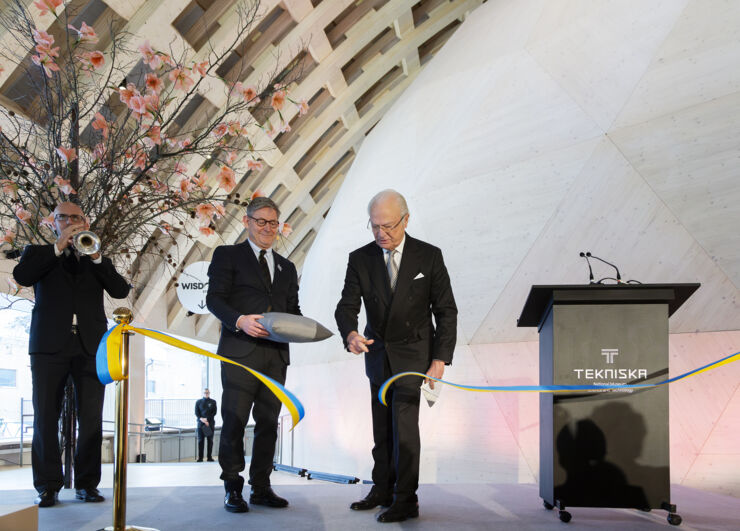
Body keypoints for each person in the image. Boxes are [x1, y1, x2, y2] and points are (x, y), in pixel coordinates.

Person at [335, 189, 457, 523]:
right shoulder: (360, 258)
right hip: (377, 355)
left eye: (387, 226)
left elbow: (446, 311)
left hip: (413, 358)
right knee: (381, 430)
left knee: (404, 431)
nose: (381, 234)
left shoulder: (428, 256)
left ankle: (406, 499)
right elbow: (346, 306)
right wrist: (350, 334)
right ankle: (382, 490)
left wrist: (440, 359)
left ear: (405, 219)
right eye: (374, 226)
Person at [12, 201, 130, 507]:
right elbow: (23, 277)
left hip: (90, 347)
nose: (69, 222)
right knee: (45, 417)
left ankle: (87, 484)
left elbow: (120, 291)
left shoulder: (95, 256)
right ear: (54, 222)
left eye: (75, 217)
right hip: (49, 346)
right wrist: (57, 248)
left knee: (91, 419)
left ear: (86, 221)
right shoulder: (37, 253)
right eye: (63, 217)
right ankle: (48, 486)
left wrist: (97, 257)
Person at [206, 196, 300, 514]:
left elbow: (294, 311)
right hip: (238, 352)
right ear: (247, 222)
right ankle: (233, 487)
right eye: (261, 221)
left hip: (275, 357)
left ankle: (261, 487)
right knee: (234, 421)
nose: (267, 228)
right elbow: (214, 300)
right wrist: (239, 321)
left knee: (268, 423)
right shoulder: (227, 255)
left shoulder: (287, 267)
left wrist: (302, 328)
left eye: (273, 222)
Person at [195, 388, 217, 462]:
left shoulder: (213, 402)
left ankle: (209, 457)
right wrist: (202, 419)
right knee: (201, 441)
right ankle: (200, 458)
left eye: (207, 392)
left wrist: (207, 419)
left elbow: (214, 413)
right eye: (205, 392)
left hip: (209, 424)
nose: (206, 394)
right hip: (201, 424)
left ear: (209, 393)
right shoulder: (198, 402)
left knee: (210, 440)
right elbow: (197, 413)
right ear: (202, 393)